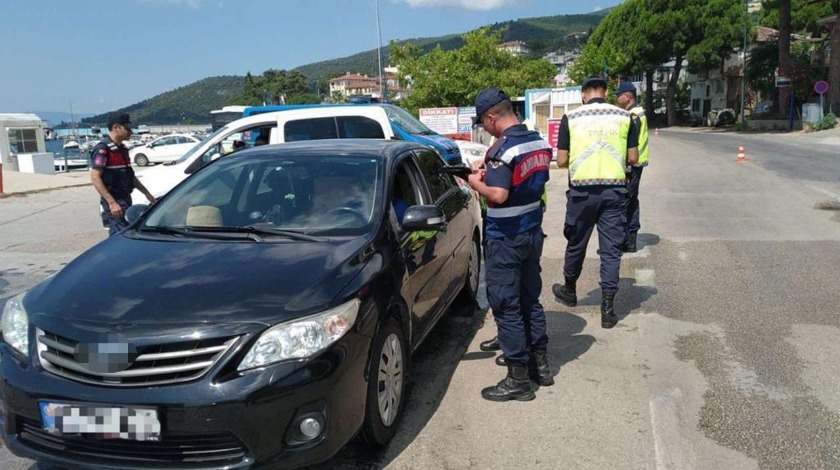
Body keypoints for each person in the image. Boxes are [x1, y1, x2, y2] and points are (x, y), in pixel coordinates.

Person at [466, 87, 553, 402]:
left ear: (491, 117)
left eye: (483, 123)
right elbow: (524, 179)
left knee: (506, 304)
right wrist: (492, 171)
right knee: (531, 299)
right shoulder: (538, 142)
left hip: (506, 237)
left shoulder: (502, 149)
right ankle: (540, 366)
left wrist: (476, 182)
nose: (485, 129)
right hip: (532, 230)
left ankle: (518, 379)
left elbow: (499, 195)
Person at [552, 77, 640, 329]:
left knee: (577, 242)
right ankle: (608, 309)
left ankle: (569, 290)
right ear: (606, 92)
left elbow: (560, 161)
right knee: (611, 250)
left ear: (583, 95)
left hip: (581, 193)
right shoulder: (625, 117)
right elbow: (632, 157)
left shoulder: (571, 118)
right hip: (614, 192)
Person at [90, 113, 156, 236]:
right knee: (119, 235)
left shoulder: (122, 150)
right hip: (115, 200)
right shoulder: (103, 150)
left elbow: (130, 176)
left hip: (125, 198)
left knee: (128, 232)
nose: (130, 132)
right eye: (127, 128)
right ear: (116, 128)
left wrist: (147, 193)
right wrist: (111, 202)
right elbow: (95, 177)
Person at [613, 81, 649, 252]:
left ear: (627, 97)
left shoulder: (632, 115)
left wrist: (626, 164)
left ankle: (624, 240)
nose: (616, 98)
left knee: (625, 202)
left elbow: (630, 142)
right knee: (632, 200)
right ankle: (631, 240)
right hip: (636, 164)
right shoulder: (637, 112)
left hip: (632, 165)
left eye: (618, 95)